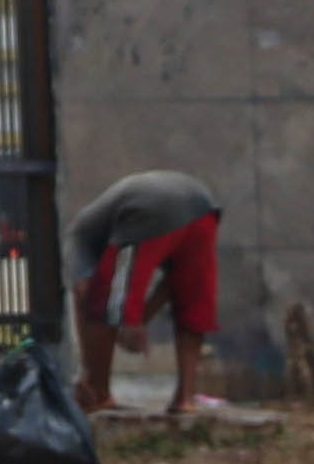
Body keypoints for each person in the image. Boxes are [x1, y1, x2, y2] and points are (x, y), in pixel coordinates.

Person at [67, 167, 228, 423]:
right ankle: (185, 399)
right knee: (193, 304)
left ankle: (98, 392)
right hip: (203, 207)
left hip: (148, 208)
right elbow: (173, 281)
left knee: (100, 302)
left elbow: (86, 295)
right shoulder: (105, 226)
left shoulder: (79, 238)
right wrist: (139, 316)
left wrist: (128, 321)